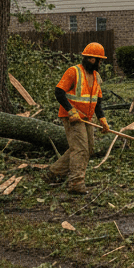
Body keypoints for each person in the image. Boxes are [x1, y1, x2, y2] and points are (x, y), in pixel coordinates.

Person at [47, 42, 110, 195]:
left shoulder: (96, 77)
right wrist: (71, 111)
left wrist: (102, 119)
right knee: (80, 149)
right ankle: (76, 183)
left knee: (88, 148)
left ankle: (54, 173)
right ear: (92, 59)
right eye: (100, 60)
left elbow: (97, 101)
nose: (100, 64)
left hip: (87, 117)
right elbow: (59, 92)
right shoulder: (73, 71)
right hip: (73, 118)